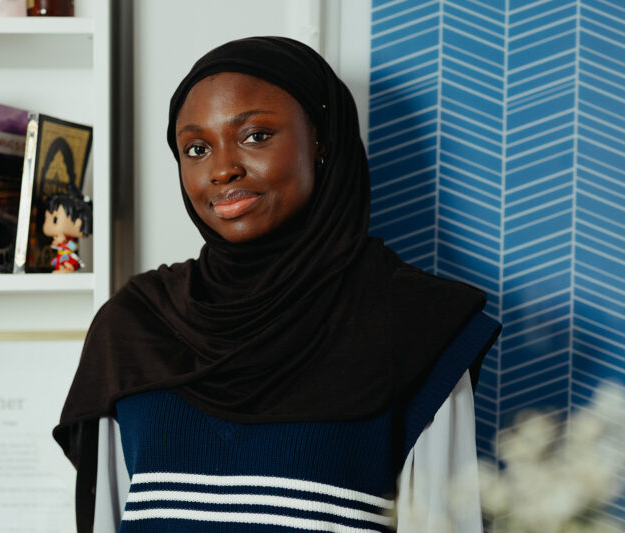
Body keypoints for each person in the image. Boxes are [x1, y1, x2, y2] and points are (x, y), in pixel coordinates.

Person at [54, 36, 502, 533]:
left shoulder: (418, 326)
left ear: (321, 139)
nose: (222, 168)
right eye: (197, 148)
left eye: (255, 136)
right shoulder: (135, 328)